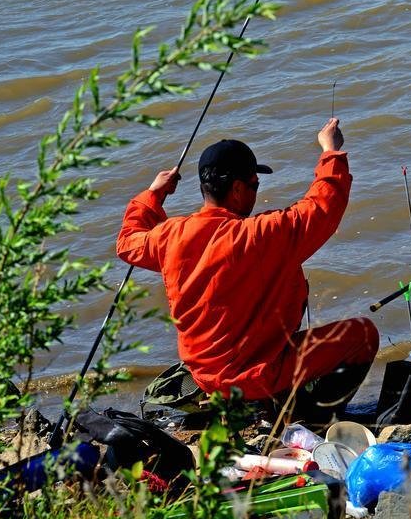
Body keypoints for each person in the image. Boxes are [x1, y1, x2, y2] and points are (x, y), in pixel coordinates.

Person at [116, 118, 379, 415]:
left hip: (203, 377)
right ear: (238, 190)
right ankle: (310, 418)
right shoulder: (262, 234)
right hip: (255, 376)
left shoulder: (170, 235)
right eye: (255, 184)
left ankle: (257, 403)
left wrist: (154, 193)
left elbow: (127, 242)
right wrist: (330, 151)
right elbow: (323, 207)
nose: (256, 191)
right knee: (363, 335)